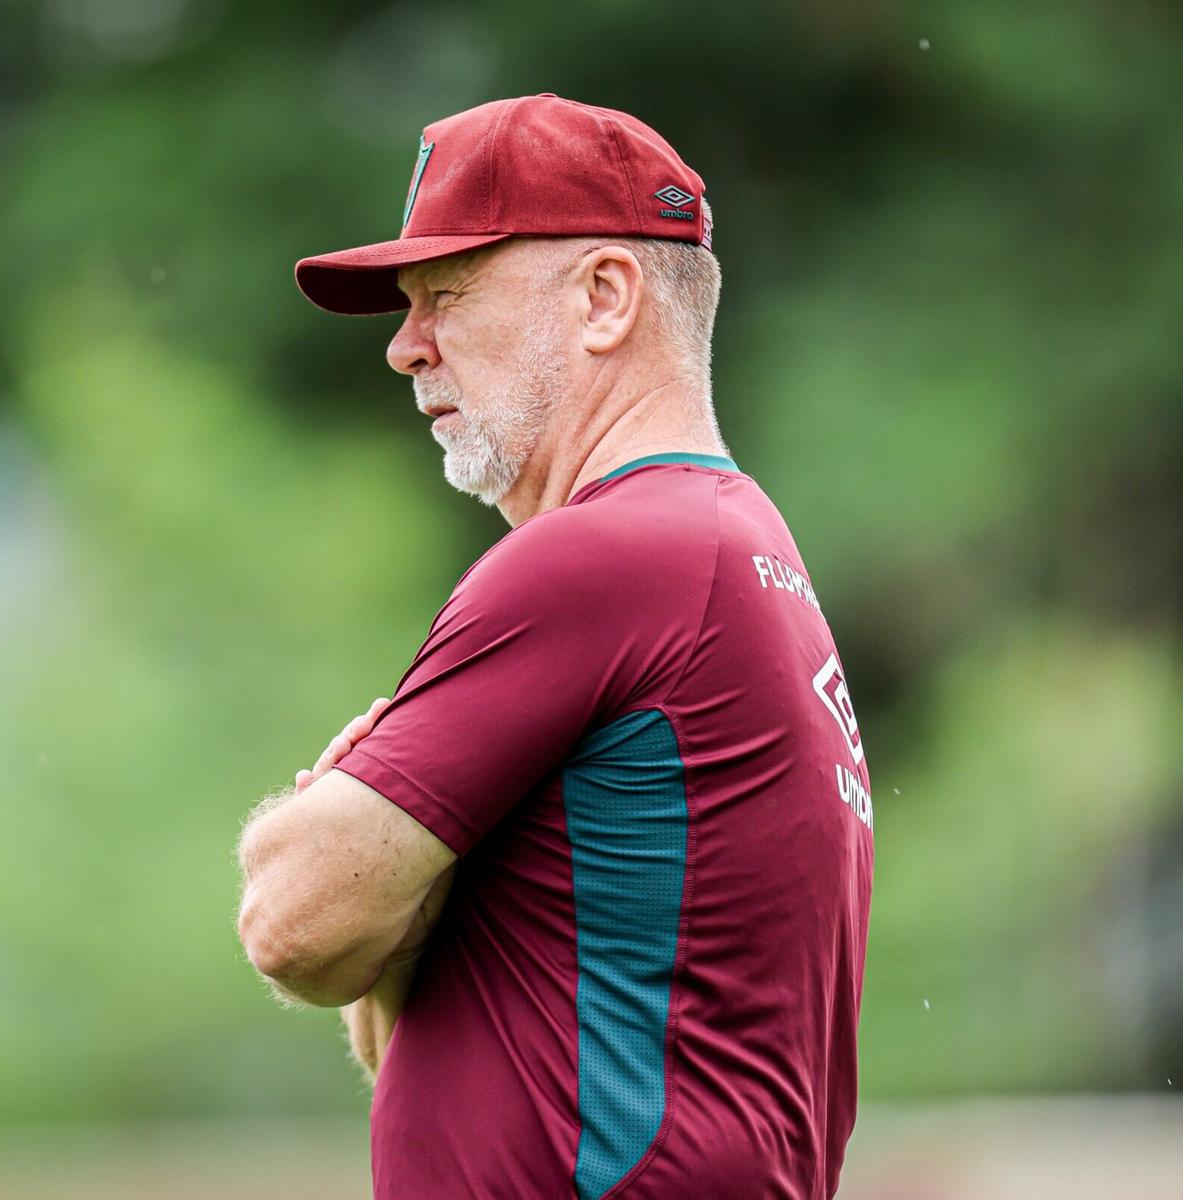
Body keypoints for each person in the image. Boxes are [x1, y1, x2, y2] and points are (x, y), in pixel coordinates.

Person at [235, 94, 874, 1199]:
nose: (404, 347)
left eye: (447, 295)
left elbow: (295, 920)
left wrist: (332, 823)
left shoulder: (610, 558)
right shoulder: (735, 548)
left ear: (604, 298)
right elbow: (401, 1020)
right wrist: (401, 886)